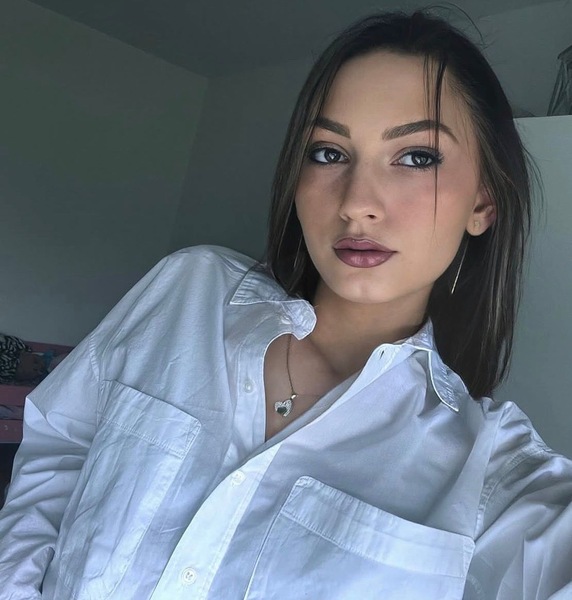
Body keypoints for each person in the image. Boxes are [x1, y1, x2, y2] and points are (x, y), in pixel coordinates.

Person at [0, 9, 571, 600]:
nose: (357, 202)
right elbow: (61, 445)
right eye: (328, 153)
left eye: (416, 157)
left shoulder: (490, 474)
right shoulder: (190, 291)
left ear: (483, 203)